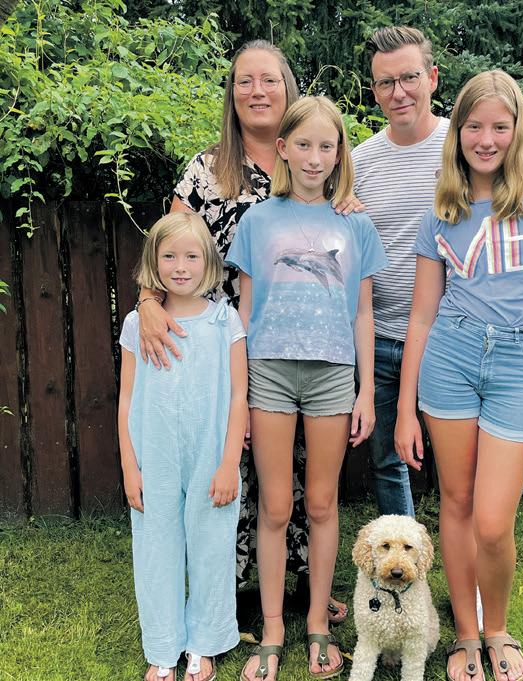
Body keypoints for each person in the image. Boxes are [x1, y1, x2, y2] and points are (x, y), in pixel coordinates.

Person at [135, 40, 351, 624]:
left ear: (289, 88)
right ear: (231, 94)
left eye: (269, 80)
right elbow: (168, 245)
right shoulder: (208, 169)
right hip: (219, 342)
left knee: (301, 471)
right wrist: (148, 300)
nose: (257, 91)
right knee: (228, 457)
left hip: (303, 341)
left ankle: (304, 585)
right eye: (244, 81)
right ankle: (223, 590)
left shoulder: (313, 160)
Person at [395, 70, 523, 681]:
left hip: (519, 366)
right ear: (457, 132)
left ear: (517, 130)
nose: (486, 139)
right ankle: (466, 636)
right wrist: (404, 409)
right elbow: (421, 316)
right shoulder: (441, 210)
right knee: (455, 502)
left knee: (493, 521)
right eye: (474, 126)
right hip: (449, 361)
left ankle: (497, 627)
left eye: (500, 127)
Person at [352, 26, 523, 520]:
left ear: (433, 78)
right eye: (385, 82)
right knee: (388, 461)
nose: (398, 92)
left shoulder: (467, 141)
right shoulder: (359, 162)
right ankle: (406, 563)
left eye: (409, 77)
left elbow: (516, 171)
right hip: (380, 334)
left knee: (465, 480)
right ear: (374, 91)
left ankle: (473, 554)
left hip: (451, 338)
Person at [230, 96, 387, 681]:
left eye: (326, 146)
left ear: (339, 152)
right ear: (284, 150)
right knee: (275, 505)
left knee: (321, 503)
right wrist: (239, 394)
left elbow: (364, 314)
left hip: (332, 375)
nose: (314, 157)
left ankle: (318, 621)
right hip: (269, 371)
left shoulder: (356, 224)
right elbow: (245, 312)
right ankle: (273, 628)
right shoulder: (257, 220)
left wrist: (365, 392)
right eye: (303, 145)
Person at [118, 212, 249, 681]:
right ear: (153, 263)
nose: (180, 266)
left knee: (211, 547)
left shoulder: (224, 321)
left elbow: (238, 396)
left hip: (210, 456)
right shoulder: (137, 323)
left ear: (209, 263)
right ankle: (162, 647)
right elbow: (126, 399)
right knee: (156, 549)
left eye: (191, 256)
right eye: (169, 256)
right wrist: (130, 467)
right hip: (154, 456)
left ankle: (203, 644)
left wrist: (229, 463)